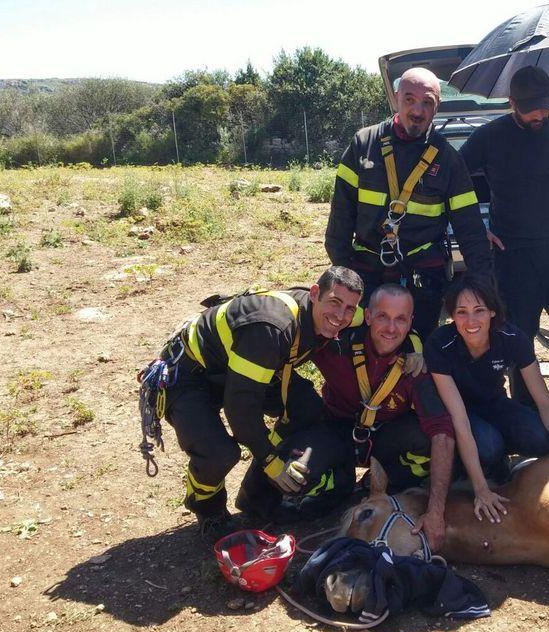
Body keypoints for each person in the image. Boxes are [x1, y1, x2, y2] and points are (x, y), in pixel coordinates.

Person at [143, 266, 363, 542]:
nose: (340, 317)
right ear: (315, 293)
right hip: (189, 374)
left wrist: (413, 351)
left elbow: (375, 317)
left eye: (349, 309)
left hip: (239, 367)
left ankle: (257, 493)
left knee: (306, 408)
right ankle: (208, 510)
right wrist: (271, 461)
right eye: (334, 303)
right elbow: (241, 408)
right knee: (219, 453)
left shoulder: (329, 313)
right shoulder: (273, 330)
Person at [459, 65, 549, 435]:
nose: (540, 115)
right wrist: (478, 230)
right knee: (517, 339)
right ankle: (528, 418)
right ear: (513, 104)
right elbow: (453, 180)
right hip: (512, 254)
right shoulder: (490, 137)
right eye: (531, 109)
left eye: (545, 107)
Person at [325, 66, 493, 339]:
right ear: (395, 99)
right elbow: (339, 225)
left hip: (424, 277)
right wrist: (348, 283)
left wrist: (482, 291)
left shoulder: (448, 160)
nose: (418, 110)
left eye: (428, 102)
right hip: (368, 273)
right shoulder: (363, 144)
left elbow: (471, 230)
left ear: (436, 108)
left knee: (420, 354)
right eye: (410, 99)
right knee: (365, 349)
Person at [424, 275, 549, 523]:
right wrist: (481, 490)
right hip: (462, 412)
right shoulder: (440, 344)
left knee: (542, 438)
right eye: (461, 312)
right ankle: (480, 468)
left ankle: (500, 455)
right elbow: (459, 420)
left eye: (479, 310)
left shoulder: (512, 338)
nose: (471, 321)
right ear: (451, 315)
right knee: (488, 446)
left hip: (495, 402)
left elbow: (544, 401)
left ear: (493, 312)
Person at [307, 283, 457, 549]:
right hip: (338, 431)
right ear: (366, 316)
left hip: (383, 440)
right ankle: (337, 484)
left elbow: (442, 432)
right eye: (382, 317)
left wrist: (435, 513)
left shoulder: (414, 362)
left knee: (428, 439)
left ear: (411, 321)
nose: (391, 328)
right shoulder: (338, 342)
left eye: (400, 319)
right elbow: (310, 313)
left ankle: (381, 483)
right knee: (303, 482)